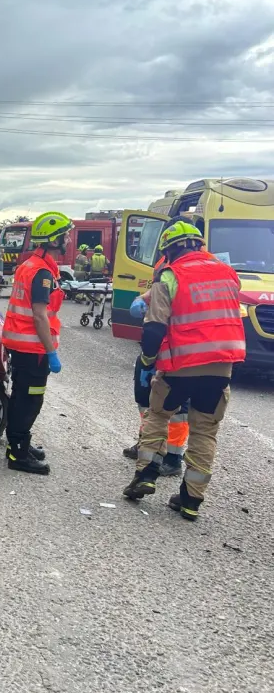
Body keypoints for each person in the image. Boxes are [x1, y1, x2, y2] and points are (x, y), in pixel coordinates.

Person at [122, 220, 245, 520]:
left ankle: (146, 474)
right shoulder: (228, 273)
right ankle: (191, 499)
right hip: (220, 366)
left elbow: (154, 327)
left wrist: (148, 362)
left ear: (171, 249)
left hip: (182, 365)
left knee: (158, 415)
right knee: (205, 431)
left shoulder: (171, 275)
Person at [1, 212, 75, 475]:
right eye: (65, 234)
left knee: (22, 396)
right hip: (33, 348)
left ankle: (19, 443)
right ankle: (18, 453)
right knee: (29, 400)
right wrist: (51, 352)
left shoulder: (29, 265)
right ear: (54, 240)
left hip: (20, 344)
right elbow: (40, 314)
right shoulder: (42, 272)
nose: (68, 238)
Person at [123, 259, 188, 477]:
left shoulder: (195, 269)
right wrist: (141, 299)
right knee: (144, 400)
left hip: (176, 348)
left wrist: (149, 358)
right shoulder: (167, 265)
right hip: (157, 343)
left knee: (176, 409)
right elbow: (159, 292)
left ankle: (172, 458)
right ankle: (146, 444)